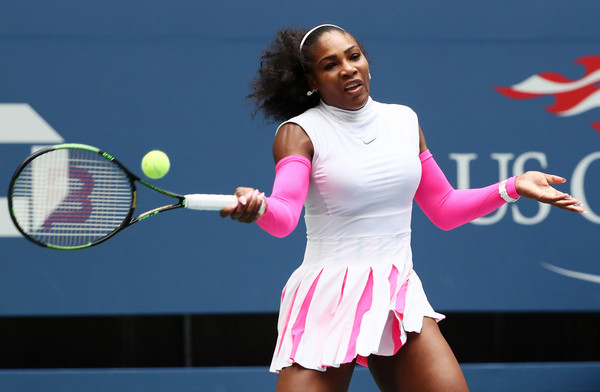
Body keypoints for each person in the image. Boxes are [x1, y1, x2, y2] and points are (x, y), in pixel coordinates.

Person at [220, 24, 584, 392]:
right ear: (311, 80)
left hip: (396, 294)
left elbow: (443, 207)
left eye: (353, 55)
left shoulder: (404, 120)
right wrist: (259, 207)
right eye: (330, 64)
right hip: (327, 299)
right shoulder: (298, 133)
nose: (348, 68)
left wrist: (512, 186)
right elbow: (283, 217)